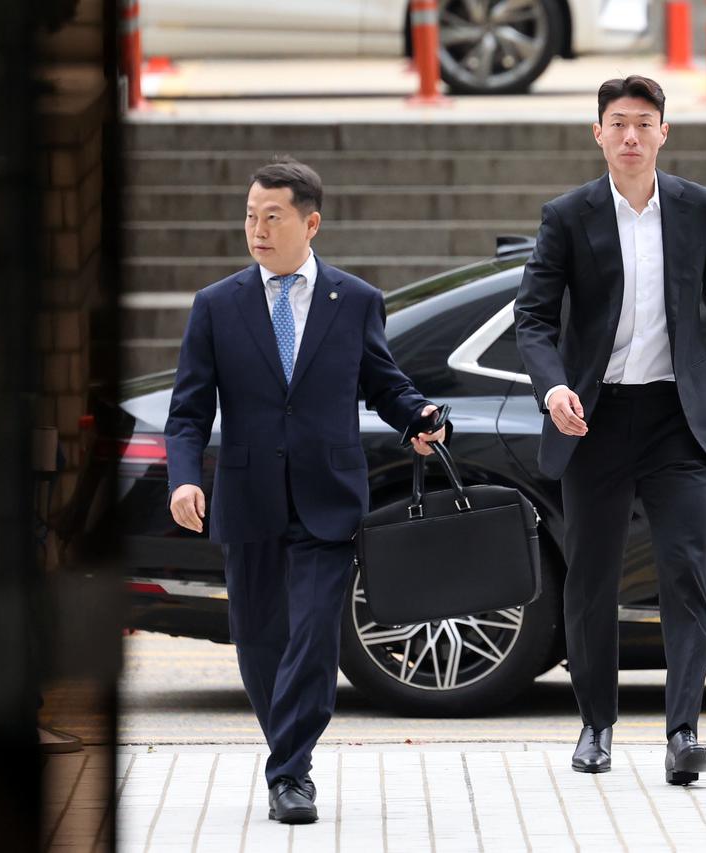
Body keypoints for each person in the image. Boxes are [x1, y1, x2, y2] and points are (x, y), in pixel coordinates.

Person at [164, 159, 448, 824]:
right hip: (248, 496)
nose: (257, 229)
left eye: (273, 216)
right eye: (250, 215)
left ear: (310, 222)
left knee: (316, 634)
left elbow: (384, 382)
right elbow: (187, 410)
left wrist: (419, 416)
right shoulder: (217, 305)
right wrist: (183, 477)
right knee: (260, 639)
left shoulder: (354, 301)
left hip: (327, 497)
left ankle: (291, 771)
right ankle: (288, 753)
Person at [514, 75, 706, 785]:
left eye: (643, 123)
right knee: (591, 578)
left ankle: (683, 732)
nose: (630, 136)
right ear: (598, 133)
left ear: (664, 133)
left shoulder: (699, 209)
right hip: (592, 418)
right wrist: (555, 386)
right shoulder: (568, 216)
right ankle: (596, 723)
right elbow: (532, 318)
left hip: (675, 420)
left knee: (685, 573)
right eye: (617, 123)